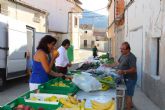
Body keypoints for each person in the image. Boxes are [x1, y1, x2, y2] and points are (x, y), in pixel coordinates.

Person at [105, 42, 137, 110]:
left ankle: (129, 107)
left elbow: (134, 70)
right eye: (121, 49)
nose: (121, 50)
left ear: (128, 49)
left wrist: (123, 71)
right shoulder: (123, 55)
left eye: (123, 49)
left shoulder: (132, 57)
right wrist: (108, 65)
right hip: (124, 77)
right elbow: (117, 63)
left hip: (131, 79)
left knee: (129, 95)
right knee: (126, 94)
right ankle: (129, 105)